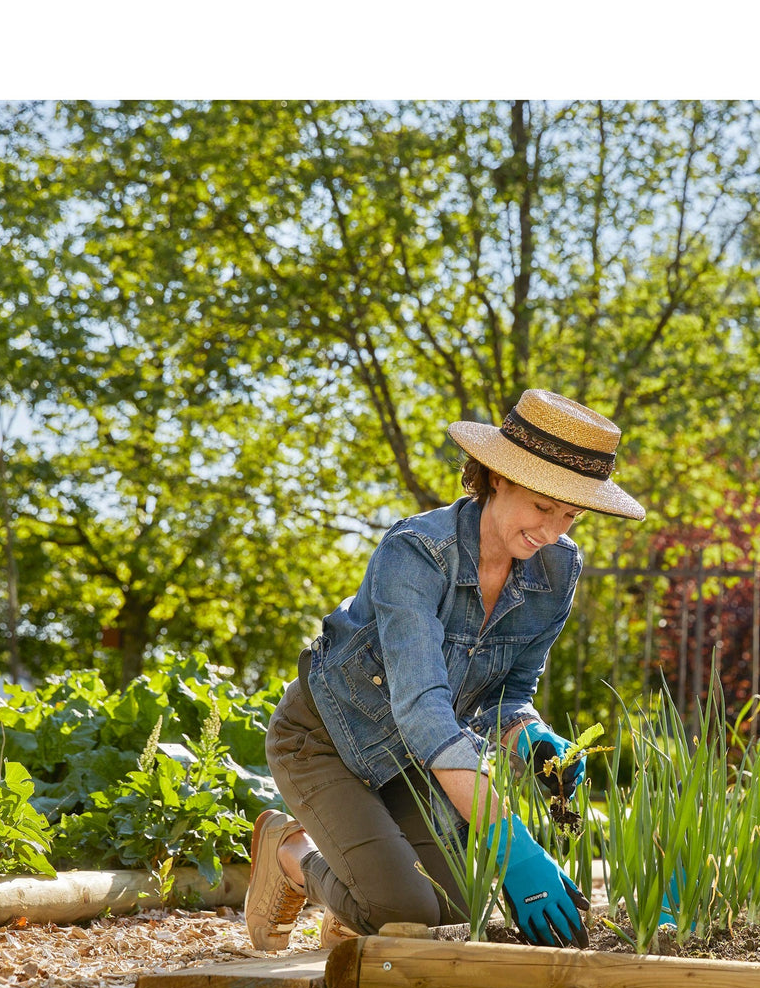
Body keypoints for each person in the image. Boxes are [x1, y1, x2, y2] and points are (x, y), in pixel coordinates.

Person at [245, 388, 645, 953]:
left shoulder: (557, 569)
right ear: (499, 477)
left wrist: (532, 738)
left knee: (455, 909)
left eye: (570, 515)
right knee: (402, 911)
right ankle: (290, 854)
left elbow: (510, 692)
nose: (552, 532)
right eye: (541, 506)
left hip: (411, 763)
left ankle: (353, 898)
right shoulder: (415, 552)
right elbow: (425, 711)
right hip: (326, 739)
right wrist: (513, 845)